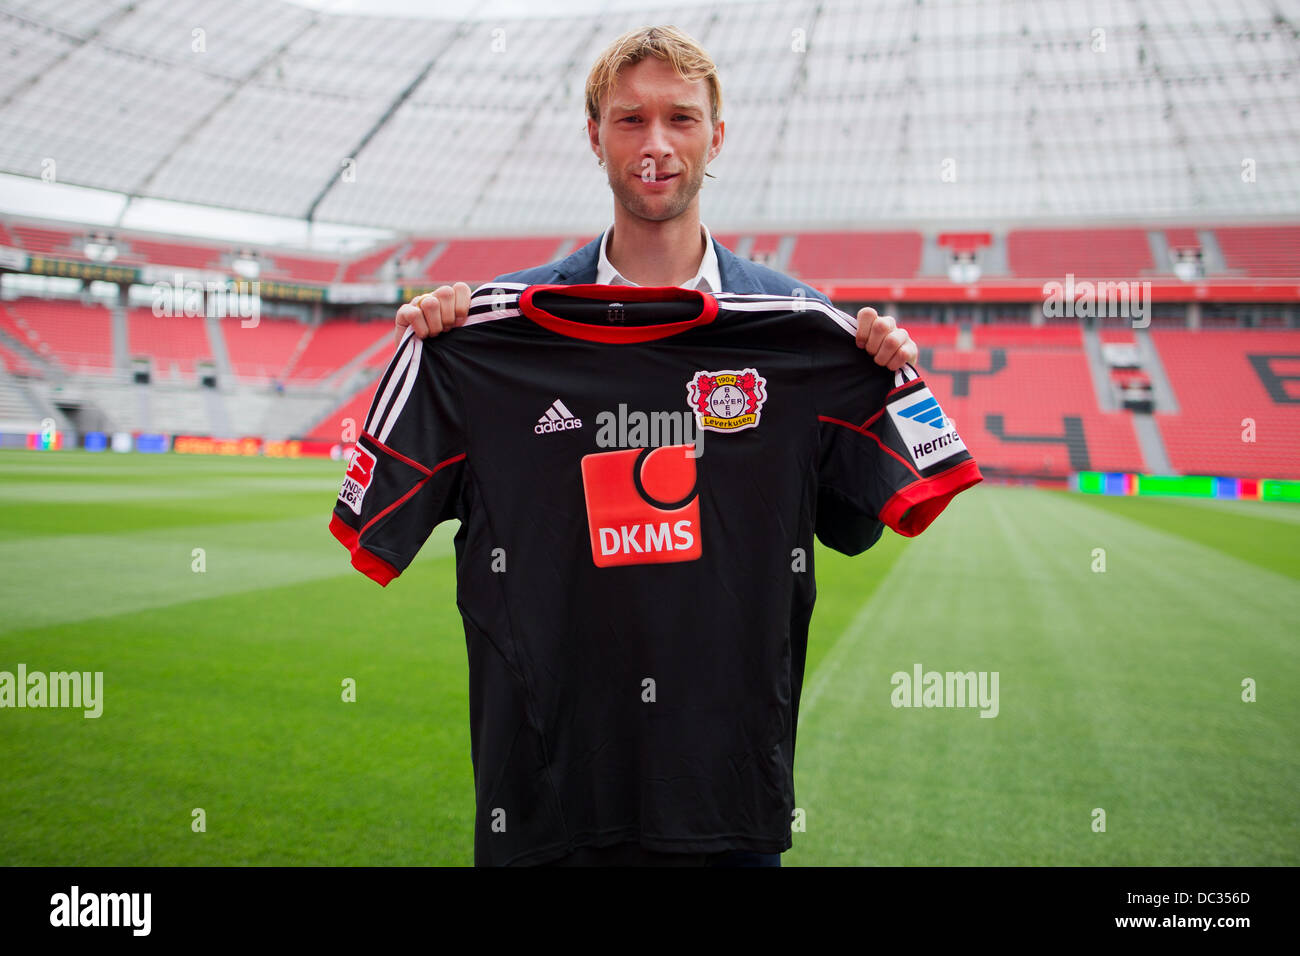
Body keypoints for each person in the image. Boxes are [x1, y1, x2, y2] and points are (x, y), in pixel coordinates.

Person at [386, 25, 922, 867]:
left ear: (718, 135)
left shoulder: (803, 332)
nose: (657, 144)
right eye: (630, 120)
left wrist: (880, 373)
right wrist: (440, 345)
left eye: (681, 118)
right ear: (594, 137)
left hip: (725, 807)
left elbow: (857, 524)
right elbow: (381, 524)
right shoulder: (488, 334)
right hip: (543, 810)